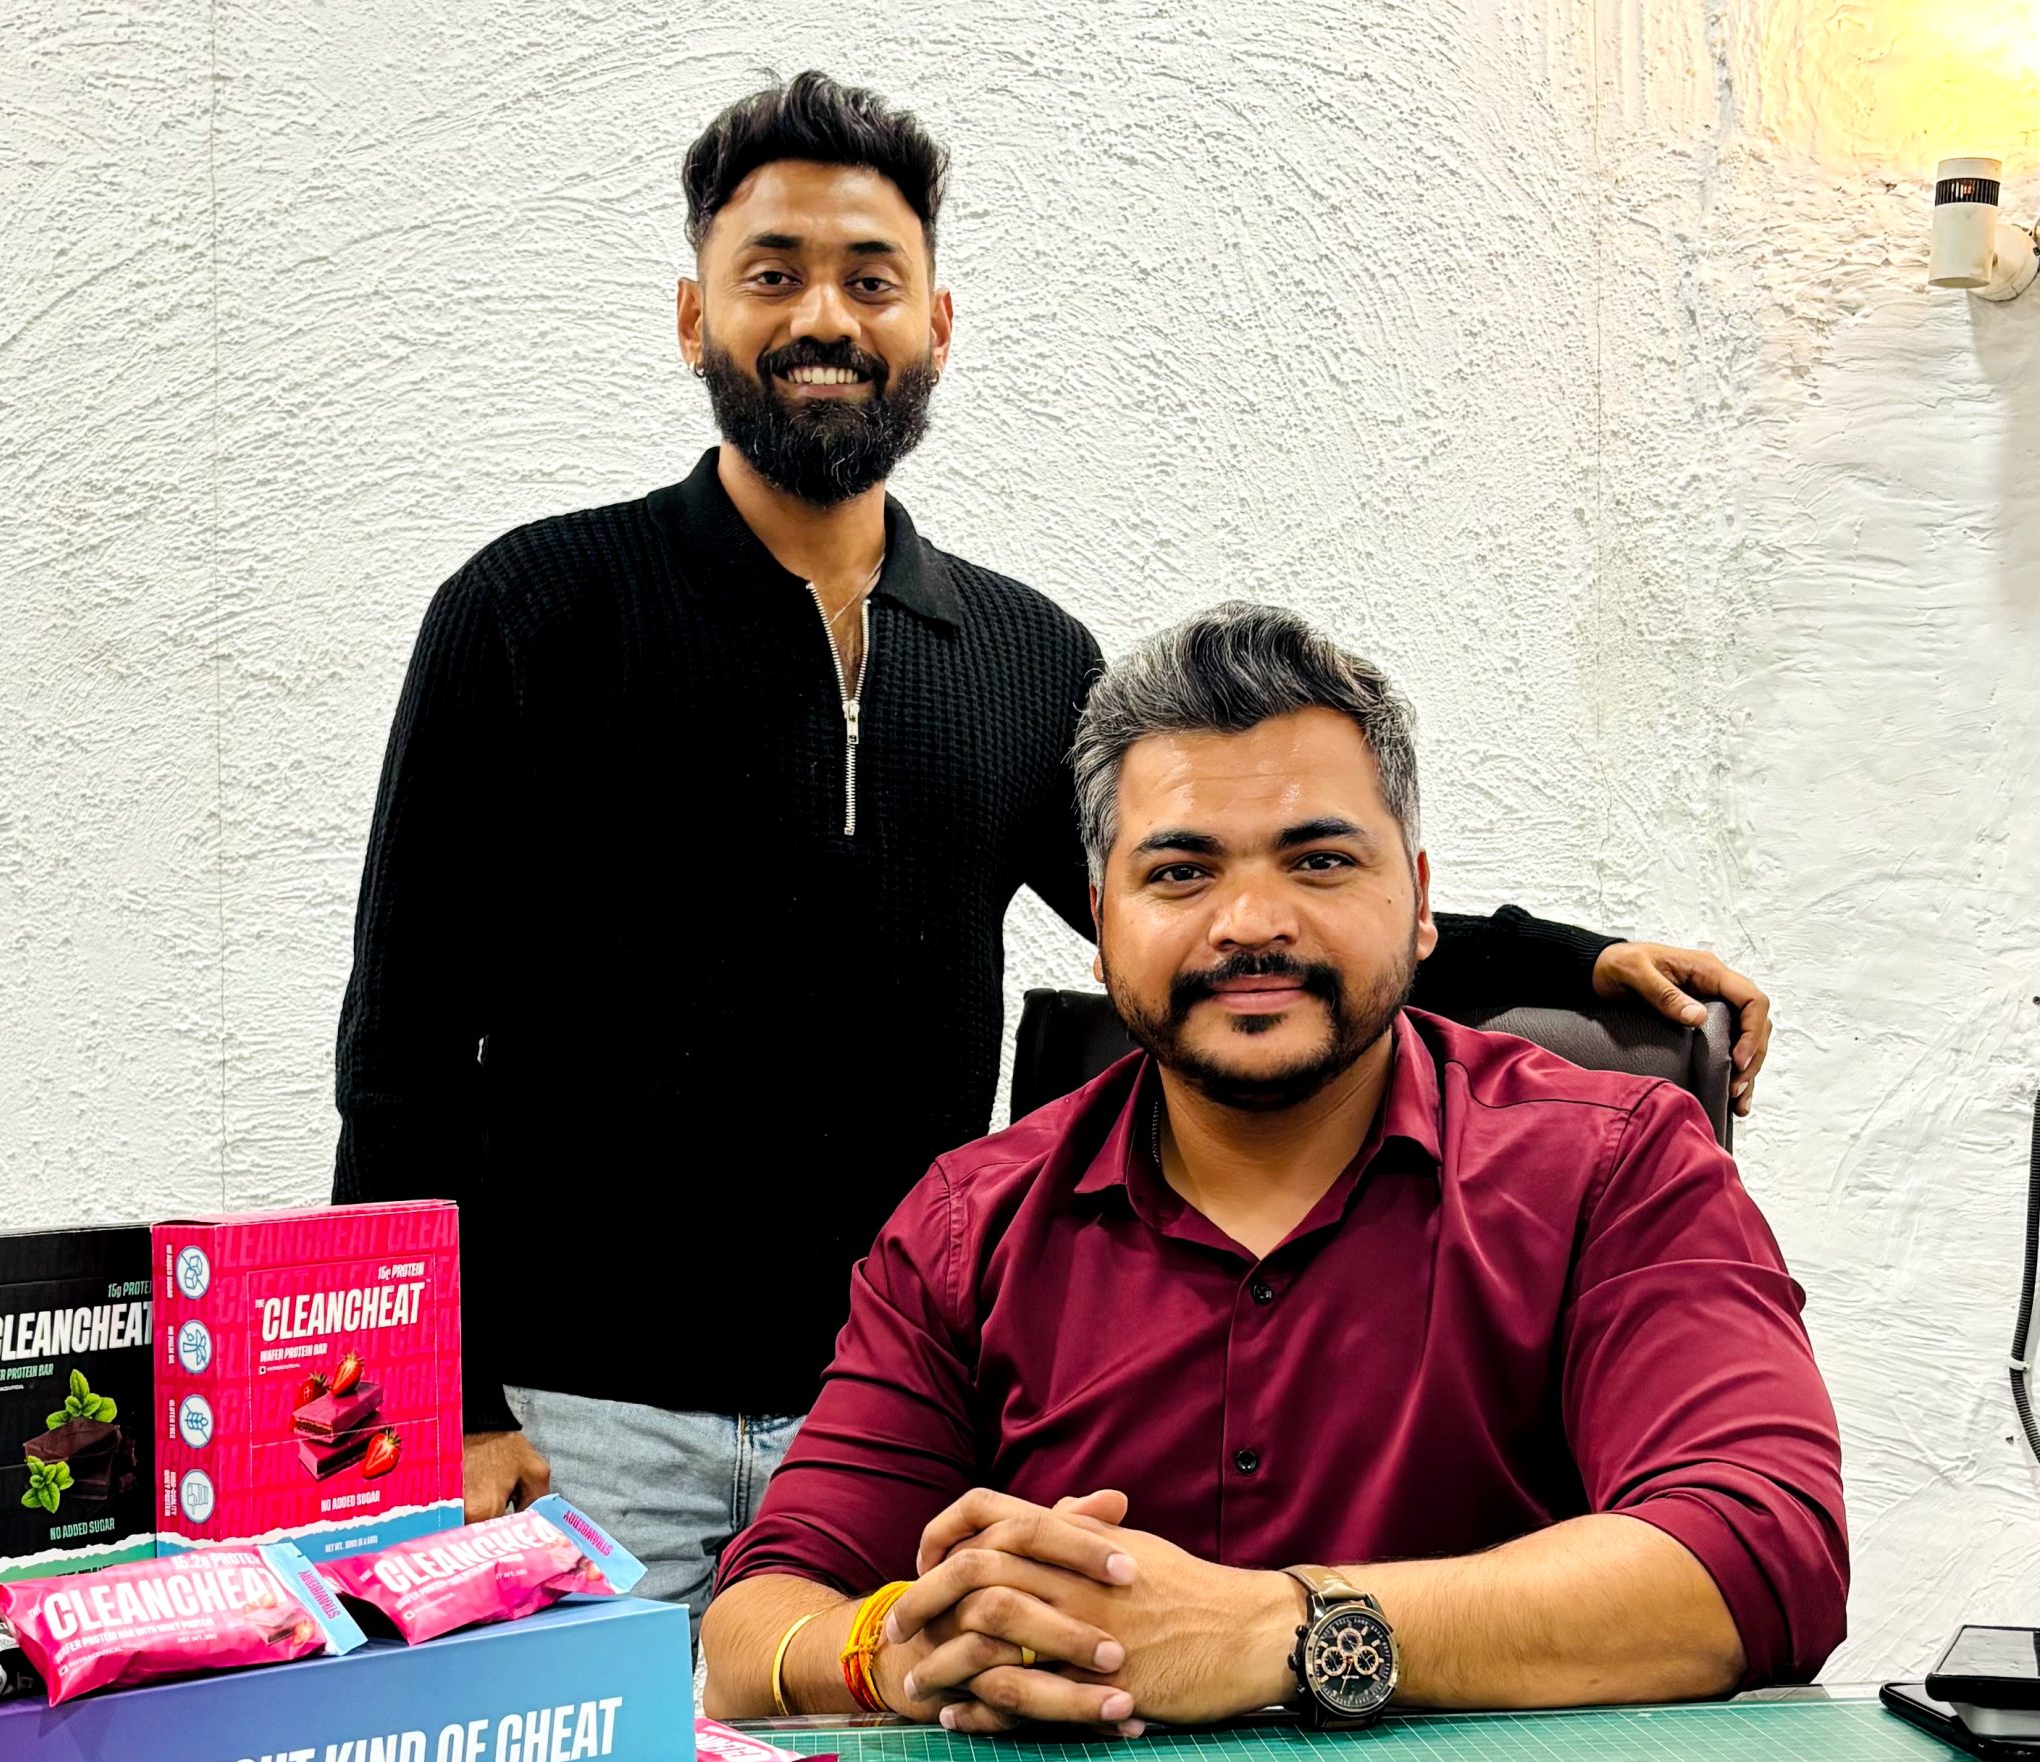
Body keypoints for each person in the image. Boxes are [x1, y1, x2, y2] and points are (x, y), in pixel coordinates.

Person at [334, 70, 1776, 1623]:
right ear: (693, 317)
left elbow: (1204, 911)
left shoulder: (1021, 658)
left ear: (934, 328)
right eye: (771, 276)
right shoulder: (530, 613)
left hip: (890, 1421)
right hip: (568, 1425)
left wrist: (1566, 959)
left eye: (870, 281)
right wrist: (444, 1404)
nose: (823, 318)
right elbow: (400, 1056)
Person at [702, 604, 1846, 1730]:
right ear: (1099, 924)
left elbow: (1761, 1554)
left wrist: (1279, 1630)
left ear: (1418, 903)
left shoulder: (1615, 1167)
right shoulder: (969, 1225)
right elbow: (756, 1626)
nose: (1250, 922)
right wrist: (895, 1649)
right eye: (1179, 874)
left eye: (1319, 860)